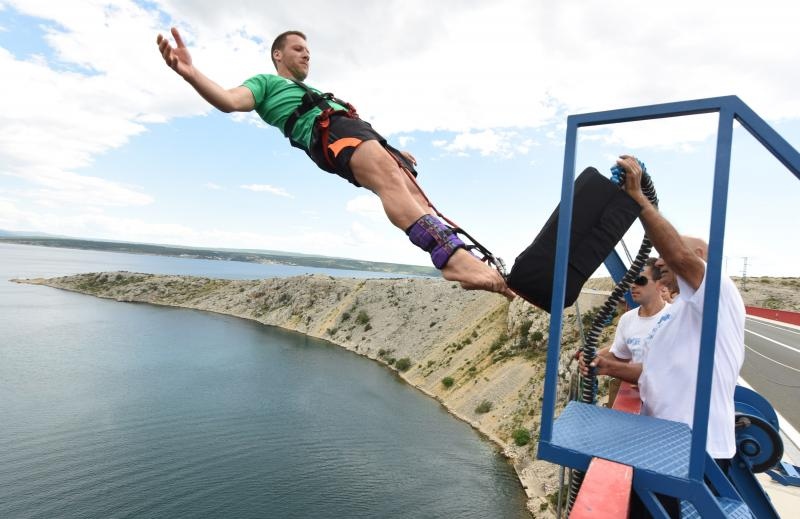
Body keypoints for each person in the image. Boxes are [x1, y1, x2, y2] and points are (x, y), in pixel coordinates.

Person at [156, 28, 512, 298]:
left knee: (415, 196)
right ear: (277, 55)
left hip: (354, 131)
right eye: (298, 49)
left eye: (308, 51)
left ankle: (497, 281)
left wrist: (394, 152)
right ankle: (452, 260)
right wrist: (191, 74)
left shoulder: (312, 90)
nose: (306, 55)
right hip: (331, 134)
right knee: (390, 181)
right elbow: (229, 100)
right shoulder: (265, 83)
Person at [583, 155, 746, 516]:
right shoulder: (680, 315)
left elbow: (679, 255)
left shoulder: (718, 292)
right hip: (664, 445)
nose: (659, 264)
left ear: (700, 258)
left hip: (695, 452)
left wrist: (639, 200)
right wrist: (607, 365)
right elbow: (653, 373)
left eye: (663, 259)